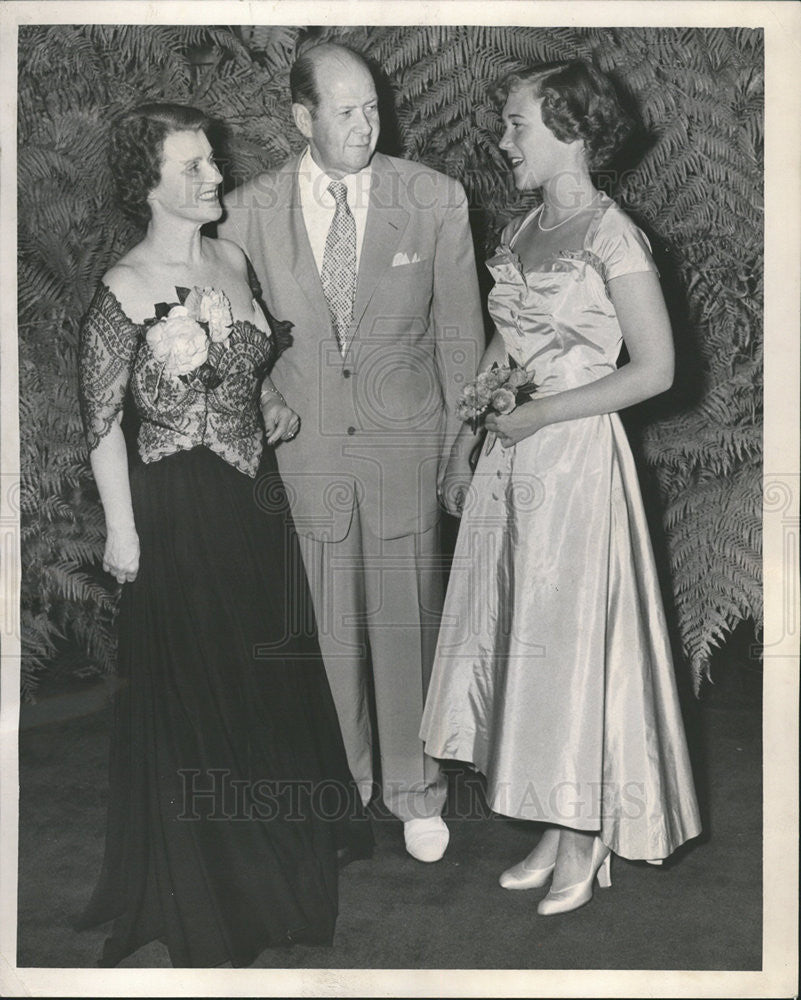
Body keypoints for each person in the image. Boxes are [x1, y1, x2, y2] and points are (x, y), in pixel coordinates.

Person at [77, 102, 370, 968]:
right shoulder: (122, 287)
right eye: (191, 168)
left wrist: (268, 402)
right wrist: (123, 534)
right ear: (149, 184)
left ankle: (274, 872)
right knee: (200, 697)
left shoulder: (232, 258)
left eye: (210, 161)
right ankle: (212, 890)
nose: (213, 178)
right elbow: (100, 423)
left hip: (252, 505)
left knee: (264, 686)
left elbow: (251, 365)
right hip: (174, 515)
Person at [421, 60, 702, 914]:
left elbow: (655, 371)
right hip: (513, 462)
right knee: (524, 648)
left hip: (576, 462)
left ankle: (587, 834)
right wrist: (463, 442)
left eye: (516, 125)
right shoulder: (523, 227)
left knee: (571, 648)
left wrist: (542, 418)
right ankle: (555, 819)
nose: (503, 140)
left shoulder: (615, 236)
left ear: (570, 131)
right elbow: (505, 348)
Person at [219, 42, 485, 863]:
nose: (366, 125)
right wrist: (258, 402)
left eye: (372, 107)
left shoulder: (434, 199)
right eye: (345, 111)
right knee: (326, 631)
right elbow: (231, 335)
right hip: (305, 454)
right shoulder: (246, 211)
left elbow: (458, 338)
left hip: (406, 448)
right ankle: (343, 786)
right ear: (301, 118)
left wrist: (460, 450)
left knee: (405, 625)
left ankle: (414, 791)